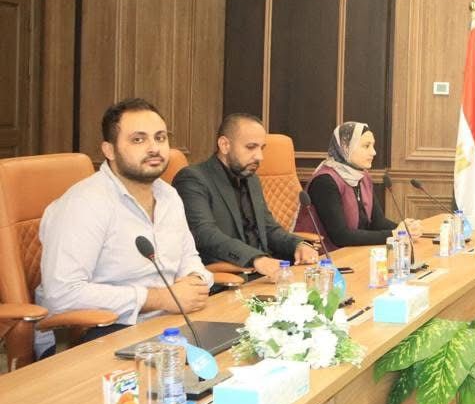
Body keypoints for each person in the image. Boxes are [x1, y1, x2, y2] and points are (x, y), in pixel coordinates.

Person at [35, 99, 212, 355]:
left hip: (166, 325)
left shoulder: (169, 196)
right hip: (96, 333)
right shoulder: (84, 204)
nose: (154, 148)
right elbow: (62, 295)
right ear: (109, 150)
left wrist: (195, 280)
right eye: (138, 140)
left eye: (160, 138)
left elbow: (189, 258)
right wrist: (161, 298)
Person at [173, 113, 316, 279]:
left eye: (261, 148)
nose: (259, 156)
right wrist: (256, 259)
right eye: (251, 147)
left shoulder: (251, 179)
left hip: (265, 272)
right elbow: (205, 234)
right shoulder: (193, 179)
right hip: (231, 276)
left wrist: (298, 244)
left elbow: (269, 228)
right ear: (224, 145)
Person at [295, 122, 397, 249]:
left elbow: (378, 222)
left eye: (373, 146)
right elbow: (341, 236)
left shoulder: (363, 176)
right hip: (324, 254)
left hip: (353, 250)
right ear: (346, 147)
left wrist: (405, 229)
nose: (374, 152)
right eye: (366, 146)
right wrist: (394, 235)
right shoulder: (325, 181)